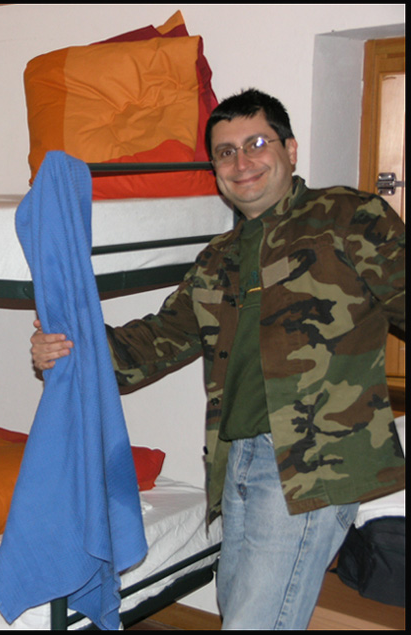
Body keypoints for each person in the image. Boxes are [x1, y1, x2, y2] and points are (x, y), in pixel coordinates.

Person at [30, 89, 405, 629]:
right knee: (238, 606)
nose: (241, 161)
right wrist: (68, 348)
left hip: (310, 463)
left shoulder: (349, 216)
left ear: (290, 149)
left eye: (256, 144)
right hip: (234, 461)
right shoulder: (218, 259)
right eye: (226, 152)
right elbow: (156, 340)